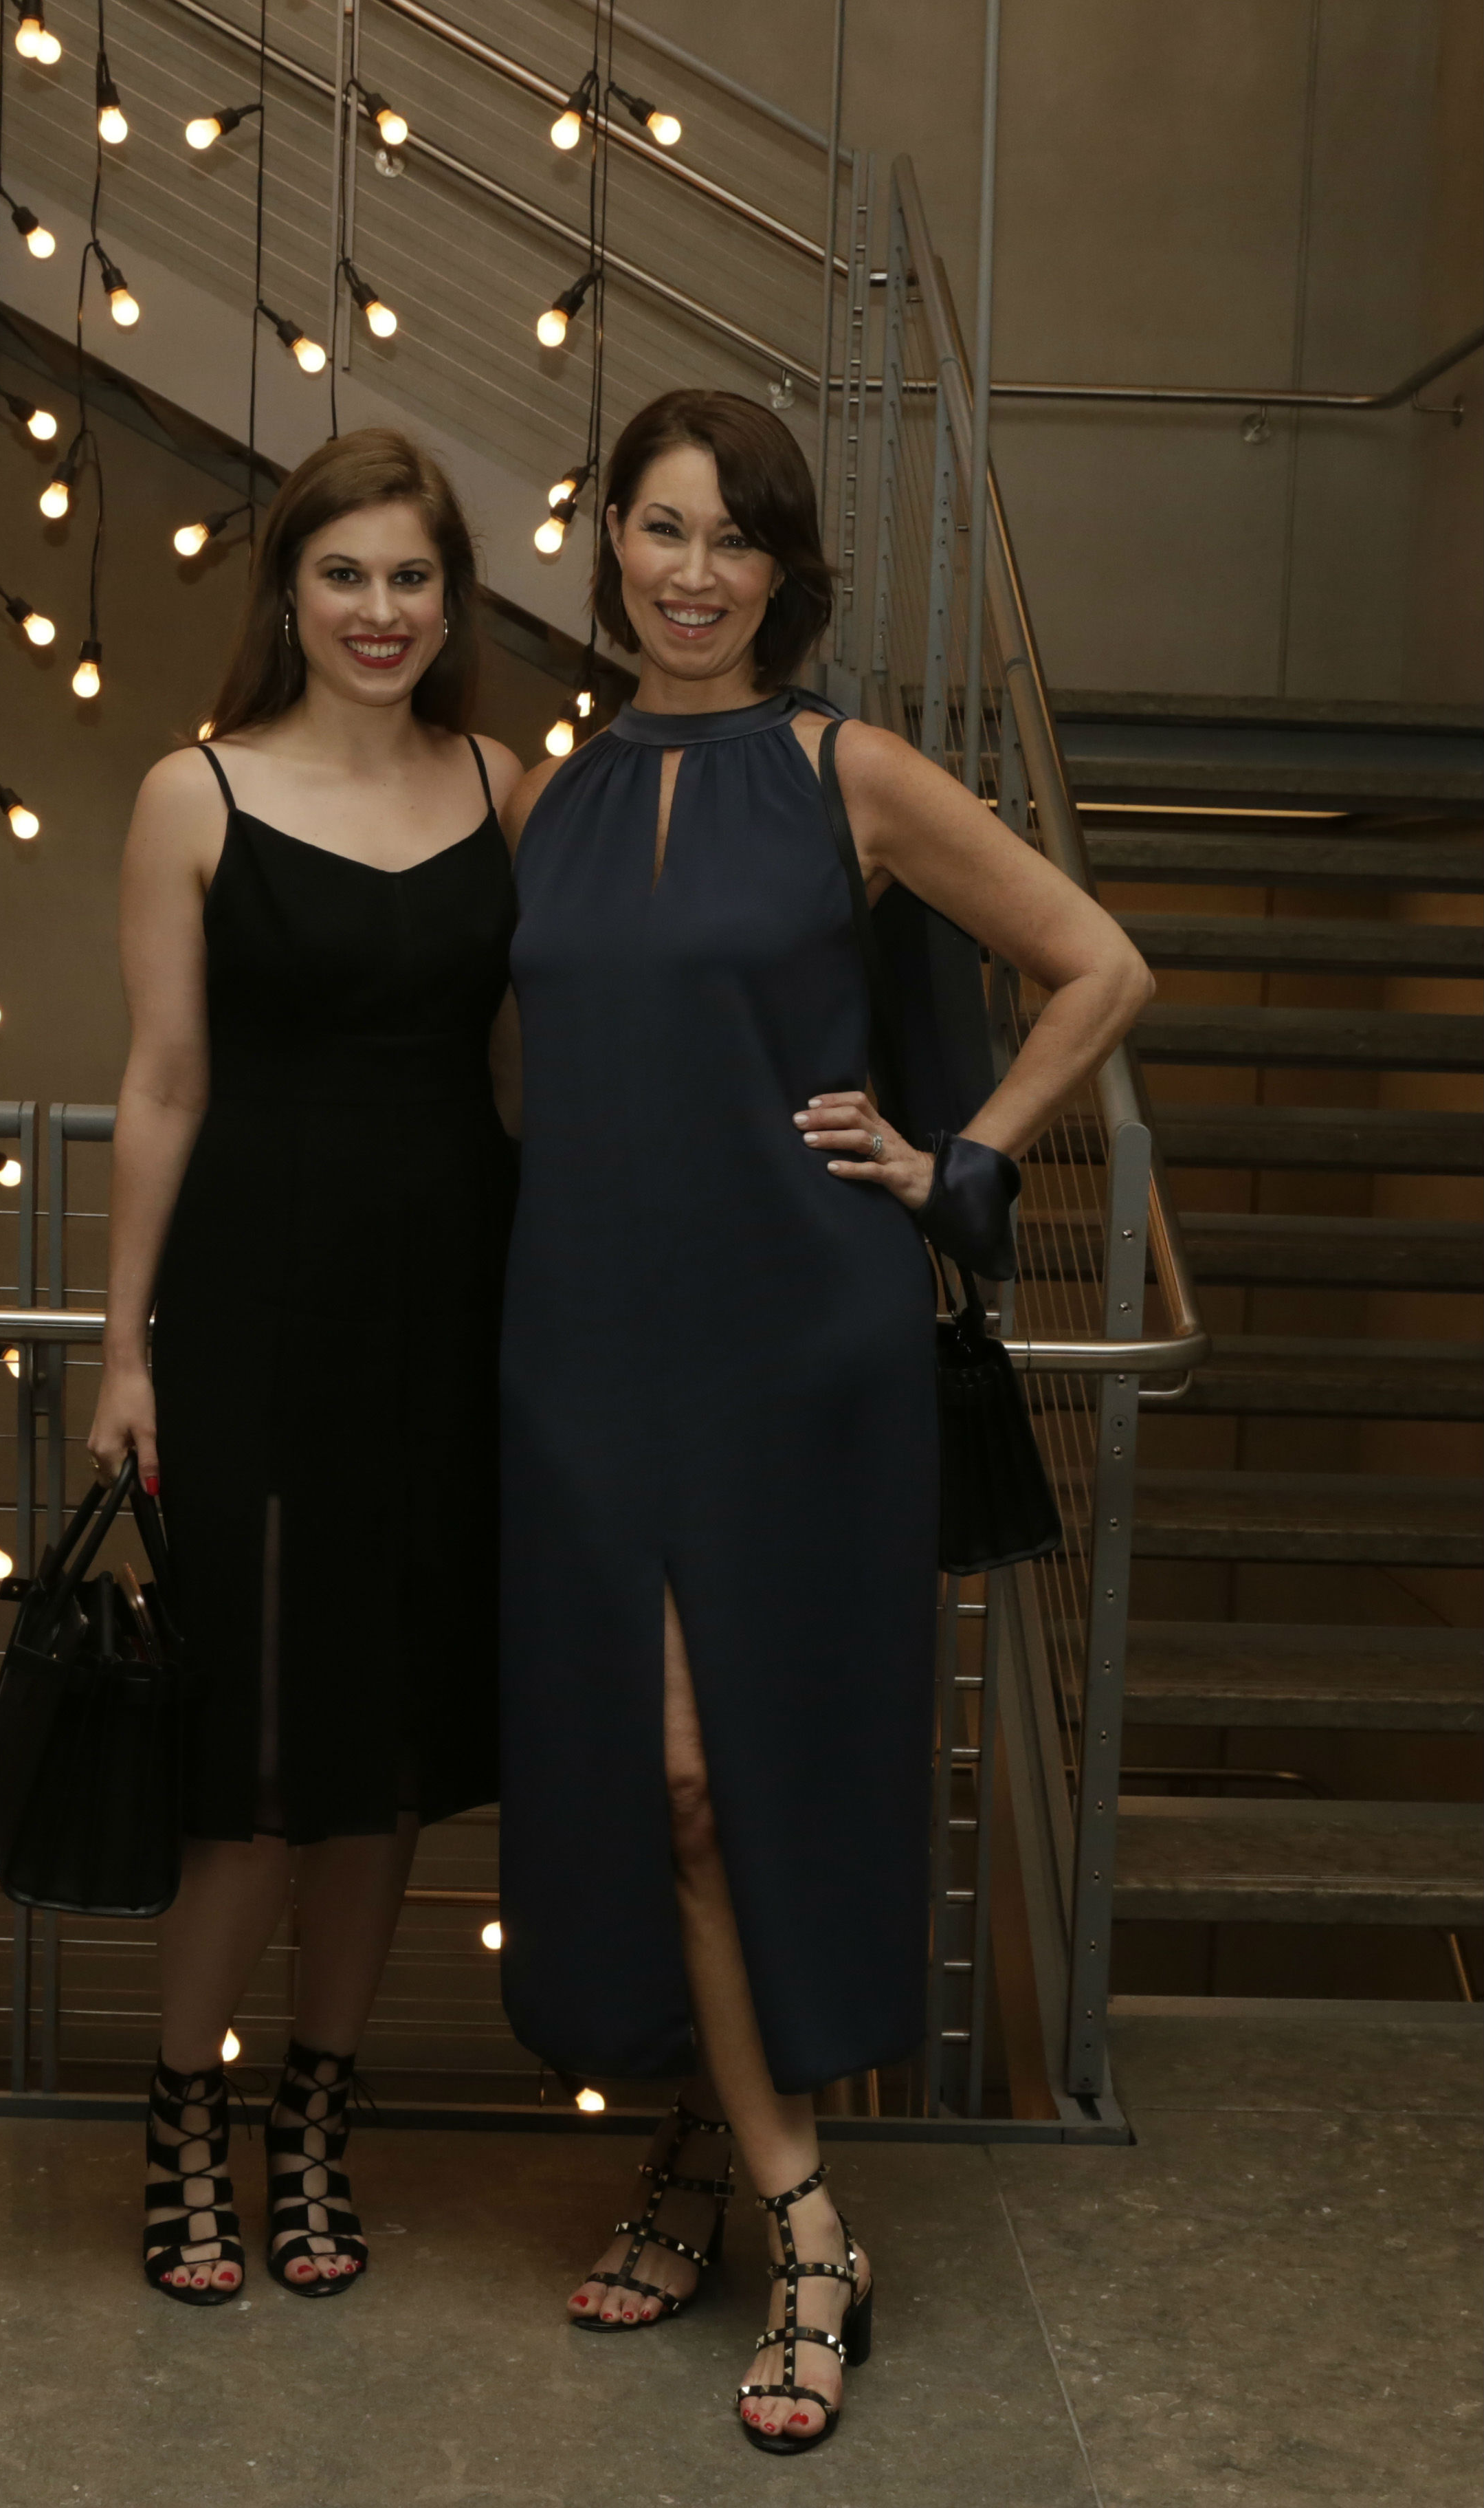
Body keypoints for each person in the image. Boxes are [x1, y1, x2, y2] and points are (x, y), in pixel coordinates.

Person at [496, 389, 1151, 2452]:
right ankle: (712, 2145)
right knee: (649, 1778)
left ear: (783, 570)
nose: (693, 573)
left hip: (799, 1345)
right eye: (660, 527)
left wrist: (961, 1157)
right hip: (582, 1348)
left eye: (735, 539)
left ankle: (799, 2226)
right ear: (608, 539)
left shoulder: (845, 770)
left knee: (733, 1774)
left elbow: (1098, 965)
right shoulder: (550, 794)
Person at [87, 428, 521, 2307]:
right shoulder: (192, 793)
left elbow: (567, 1058)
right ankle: (186, 2112)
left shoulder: (507, 788)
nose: (378, 610)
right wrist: (121, 1347)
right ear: (287, 590)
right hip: (252, 1315)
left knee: (386, 1759)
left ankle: (316, 2123)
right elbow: (163, 1082)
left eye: (411, 576)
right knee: (255, 1765)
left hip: (456, 1308)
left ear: (451, 600)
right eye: (344, 573)